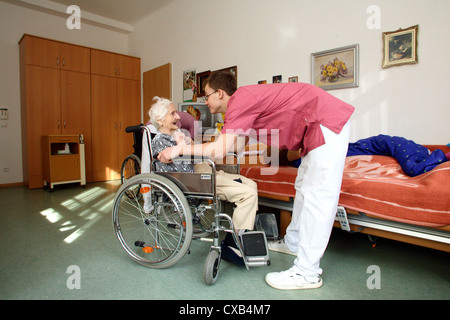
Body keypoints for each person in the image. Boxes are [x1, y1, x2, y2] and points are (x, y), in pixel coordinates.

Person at [158, 71, 354, 290]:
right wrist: (196, 150)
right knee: (304, 188)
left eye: (206, 95)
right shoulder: (240, 106)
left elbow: (220, 149)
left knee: (318, 197)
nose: (205, 101)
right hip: (314, 126)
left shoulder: (241, 101)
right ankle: (293, 243)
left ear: (220, 93)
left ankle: (307, 273)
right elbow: (236, 148)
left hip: (324, 121)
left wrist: (180, 150)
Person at [143, 96, 258, 234]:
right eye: (172, 113)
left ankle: (241, 224)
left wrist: (190, 145)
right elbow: (182, 169)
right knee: (249, 193)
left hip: (204, 172)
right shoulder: (160, 141)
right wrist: (182, 145)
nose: (178, 116)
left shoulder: (177, 135)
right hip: (193, 180)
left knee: (251, 185)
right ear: (160, 119)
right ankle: (234, 242)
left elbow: (196, 156)